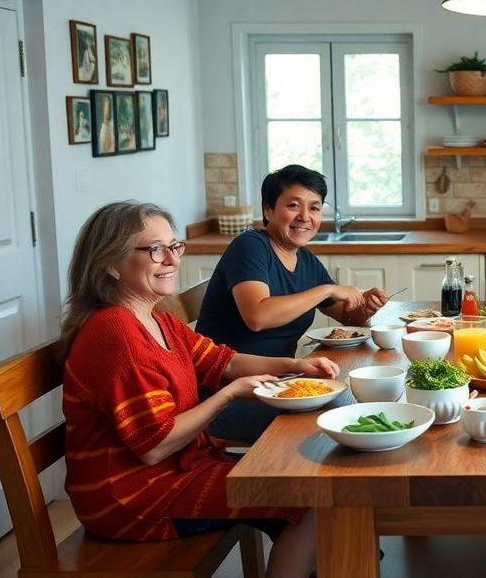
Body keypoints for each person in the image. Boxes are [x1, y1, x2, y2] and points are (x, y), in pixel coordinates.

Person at [60, 201, 333, 577]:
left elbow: (223, 360)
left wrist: (293, 366)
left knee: (313, 487)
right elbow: (155, 446)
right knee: (317, 499)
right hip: (133, 496)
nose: (171, 260)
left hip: (178, 470)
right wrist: (230, 394)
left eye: (174, 247)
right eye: (155, 249)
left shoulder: (155, 317)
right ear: (110, 263)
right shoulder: (116, 334)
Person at [197, 164, 387, 442]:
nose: (305, 217)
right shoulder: (250, 246)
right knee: (335, 418)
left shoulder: (305, 259)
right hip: (226, 396)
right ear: (268, 210)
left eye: (314, 208)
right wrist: (327, 289)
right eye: (294, 206)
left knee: (359, 400)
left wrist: (364, 308)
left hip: (279, 384)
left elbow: (346, 318)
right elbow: (257, 316)